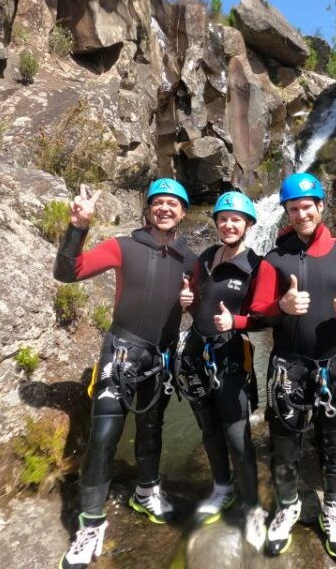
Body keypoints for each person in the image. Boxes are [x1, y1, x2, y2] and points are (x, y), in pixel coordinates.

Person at [55, 179, 197, 569]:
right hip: (121, 349)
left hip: (162, 356)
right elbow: (69, 272)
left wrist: (195, 302)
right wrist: (78, 227)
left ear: (183, 213)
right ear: (148, 209)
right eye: (158, 203)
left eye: (173, 203)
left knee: (152, 428)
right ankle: (91, 523)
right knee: (103, 436)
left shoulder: (192, 260)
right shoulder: (124, 246)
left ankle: (146, 491)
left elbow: (205, 309)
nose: (165, 208)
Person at [246, 173, 336, 561]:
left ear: (321, 207)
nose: (302, 213)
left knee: (333, 444)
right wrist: (279, 308)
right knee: (284, 445)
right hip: (288, 368)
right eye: (294, 208)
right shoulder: (276, 259)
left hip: (333, 367)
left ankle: (334, 510)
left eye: (308, 206)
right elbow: (257, 312)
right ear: (286, 211)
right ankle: (287, 506)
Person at [176, 191, 268, 548]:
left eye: (236, 219)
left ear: (247, 225)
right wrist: (189, 303)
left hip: (230, 355)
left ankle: (253, 508)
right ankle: (222, 488)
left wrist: (238, 320)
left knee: (236, 436)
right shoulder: (207, 257)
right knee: (208, 429)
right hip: (197, 353)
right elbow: (200, 307)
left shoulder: (256, 266)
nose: (228, 225)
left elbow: (266, 317)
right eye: (223, 219)